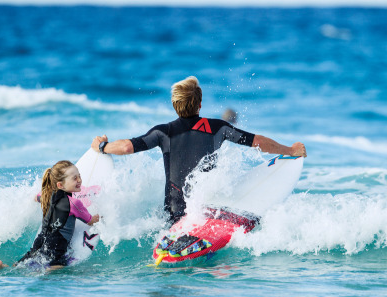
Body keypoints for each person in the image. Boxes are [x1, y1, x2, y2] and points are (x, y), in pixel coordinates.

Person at [91, 76, 306, 225]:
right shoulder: (218, 127)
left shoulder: (163, 132)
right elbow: (257, 141)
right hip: (205, 209)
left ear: (174, 105)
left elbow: (127, 146)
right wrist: (290, 149)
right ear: (200, 104)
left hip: (173, 211)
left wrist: (102, 146)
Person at [0, 160, 99, 274]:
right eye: (75, 178)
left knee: (23, 265)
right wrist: (101, 216)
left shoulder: (46, 195)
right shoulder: (74, 203)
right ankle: (48, 270)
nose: (79, 180)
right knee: (56, 266)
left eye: (79, 176)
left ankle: (1, 267)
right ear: (60, 185)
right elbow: (90, 221)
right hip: (57, 244)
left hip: (41, 239)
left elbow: (36, 197)